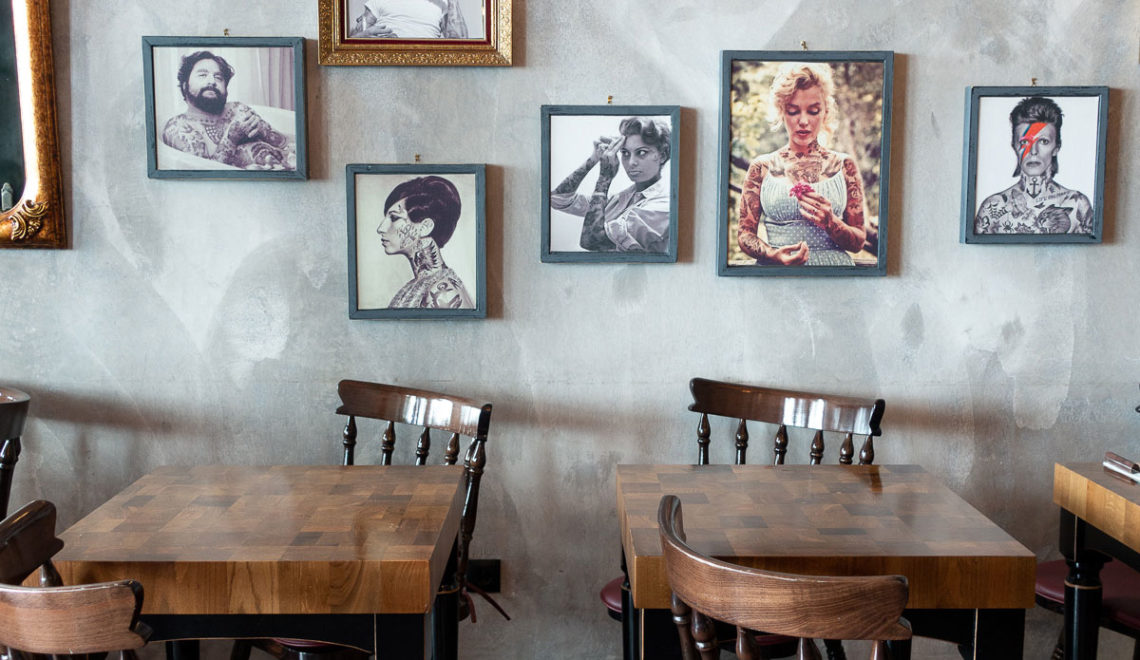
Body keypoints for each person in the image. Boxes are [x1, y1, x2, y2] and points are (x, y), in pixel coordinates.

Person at [736, 62, 868, 266]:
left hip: (835, 277)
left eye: (813, 111)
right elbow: (745, 234)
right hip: (778, 277)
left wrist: (831, 223)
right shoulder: (762, 167)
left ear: (825, 112)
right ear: (781, 111)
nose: (804, 121)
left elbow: (858, 242)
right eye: (793, 111)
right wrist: (773, 254)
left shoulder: (844, 166)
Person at [550, 116, 672, 253]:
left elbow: (591, 241)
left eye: (641, 152)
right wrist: (594, 158)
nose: (631, 162)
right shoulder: (621, 198)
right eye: (625, 153)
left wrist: (604, 178)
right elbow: (557, 199)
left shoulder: (664, 204)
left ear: (663, 155)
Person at [974, 96, 1093, 235]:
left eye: (1043, 141)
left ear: (1056, 147)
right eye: (1025, 142)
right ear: (1014, 147)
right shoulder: (992, 207)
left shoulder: (1077, 204)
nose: (1033, 151)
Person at [161, 51, 295, 171]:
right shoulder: (178, 127)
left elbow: (285, 143)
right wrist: (231, 138)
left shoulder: (237, 109)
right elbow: (205, 176)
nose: (212, 81)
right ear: (185, 86)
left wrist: (263, 130)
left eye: (218, 77)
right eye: (202, 75)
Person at [376, 176, 473, 309]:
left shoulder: (443, 290)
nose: (380, 229)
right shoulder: (414, 286)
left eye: (394, 218)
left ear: (425, 227)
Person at [350, 0, 468, 39]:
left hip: (425, 67)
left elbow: (462, 45)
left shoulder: (443, 3)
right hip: (384, 62)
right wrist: (366, 35)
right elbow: (353, 40)